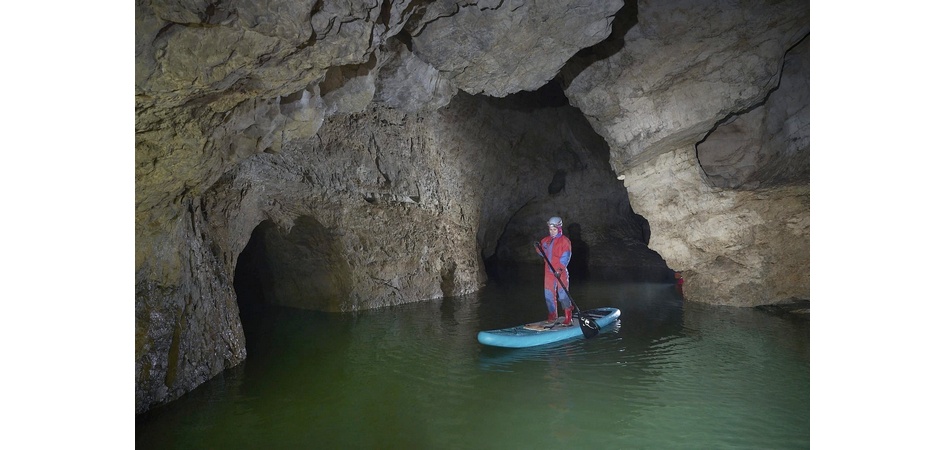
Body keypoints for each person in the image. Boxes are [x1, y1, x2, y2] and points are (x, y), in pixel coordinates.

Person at [534, 216, 573, 325]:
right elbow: (542, 252)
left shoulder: (565, 241)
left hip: (560, 272)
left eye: (554, 229)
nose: (552, 232)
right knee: (548, 295)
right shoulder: (546, 240)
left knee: (563, 295)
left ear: (559, 228)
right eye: (550, 229)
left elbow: (566, 257)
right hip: (549, 272)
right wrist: (538, 247)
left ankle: (568, 316)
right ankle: (552, 315)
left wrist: (560, 269)